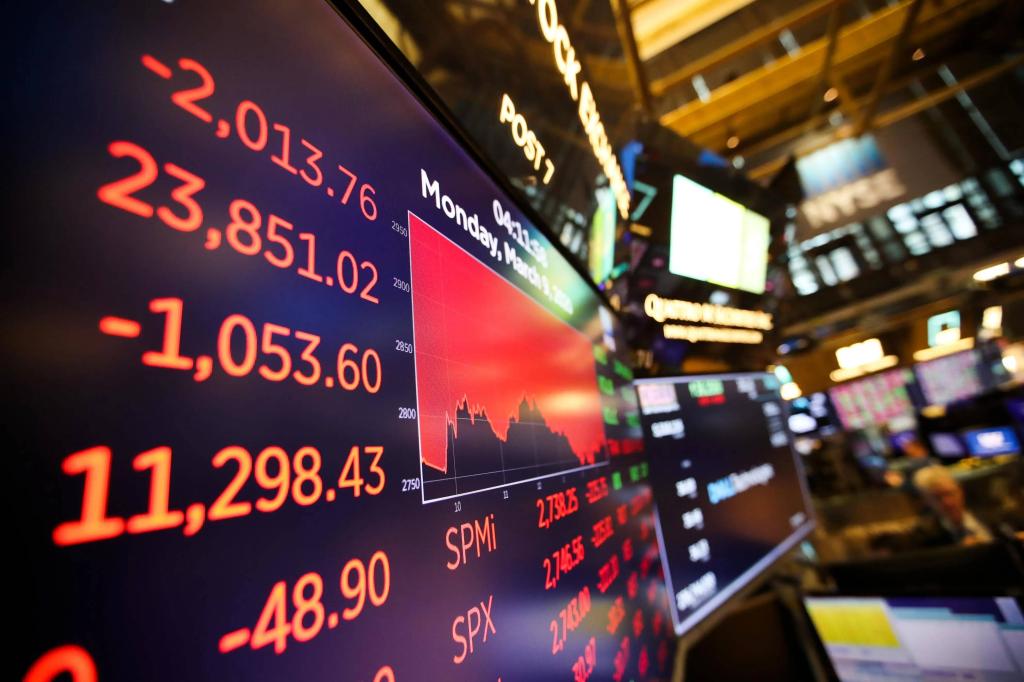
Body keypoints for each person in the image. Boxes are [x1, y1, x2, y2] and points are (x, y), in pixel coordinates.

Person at [912, 465, 993, 546]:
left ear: (960, 491)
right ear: (927, 501)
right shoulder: (925, 537)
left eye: (949, 493)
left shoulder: (991, 517)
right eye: (937, 498)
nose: (948, 503)